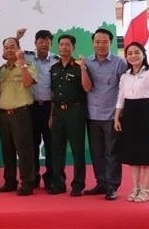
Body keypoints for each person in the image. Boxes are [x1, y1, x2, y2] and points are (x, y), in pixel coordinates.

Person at [114, 42, 149, 203]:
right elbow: (120, 97)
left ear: (143, 54)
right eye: (129, 53)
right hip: (129, 113)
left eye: (137, 52)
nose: (133, 55)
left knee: (148, 152)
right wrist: (116, 117)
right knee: (133, 152)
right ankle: (135, 187)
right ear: (126, 56)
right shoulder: (125, 76)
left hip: (146, 112)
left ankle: (146, 188)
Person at [84, 28, 127, 200]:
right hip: (92, 115)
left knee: (112, 152)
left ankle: (111, 186)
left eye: (104, 42)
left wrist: (120, 113)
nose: (100, 45)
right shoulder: (86, 62)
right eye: (97, 42)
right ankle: (101, 182)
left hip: (112, 116)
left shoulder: (119, 63)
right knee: (97, 152)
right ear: (93, 43)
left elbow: (124, 90)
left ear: (111, 43)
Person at [47, 34, 92, 196]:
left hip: (75, 112)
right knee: (56, 150)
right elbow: (53, 94)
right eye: (61, 44)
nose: (64, 47)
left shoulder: (79, 66)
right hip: (58, 112)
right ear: (58, 47)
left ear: (73, 47)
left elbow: (87, 88)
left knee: (77, 150)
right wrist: (51, 115)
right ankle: (58, 183)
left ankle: (78, 185)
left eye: (67, 45)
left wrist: (83, 68)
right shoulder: (54, 68)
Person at [17, 28, 58, 190]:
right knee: (31, 144)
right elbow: (12, 53)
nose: (43, 44)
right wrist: (17, 37)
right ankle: (32, 176)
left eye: (47, 41)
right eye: (40, 41)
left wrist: (52, 114)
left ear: (50, 43)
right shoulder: (27, 56)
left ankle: (51, 178)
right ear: (35, 43)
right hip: (30, 107)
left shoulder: (56, 60)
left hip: (49, 107)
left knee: (51, 145)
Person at [0, 37, 37, 196]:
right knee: (7, 150)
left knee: (24, 150)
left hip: (21, 114)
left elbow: (27, 83)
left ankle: (28, 182)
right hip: (4, 114)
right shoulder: (2, 70)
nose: (9, 50)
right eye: (6, 47)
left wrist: (22, 64)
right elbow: (0, 91)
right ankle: (10, 181)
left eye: (12, 46)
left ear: (19, 48)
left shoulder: (28, 65)